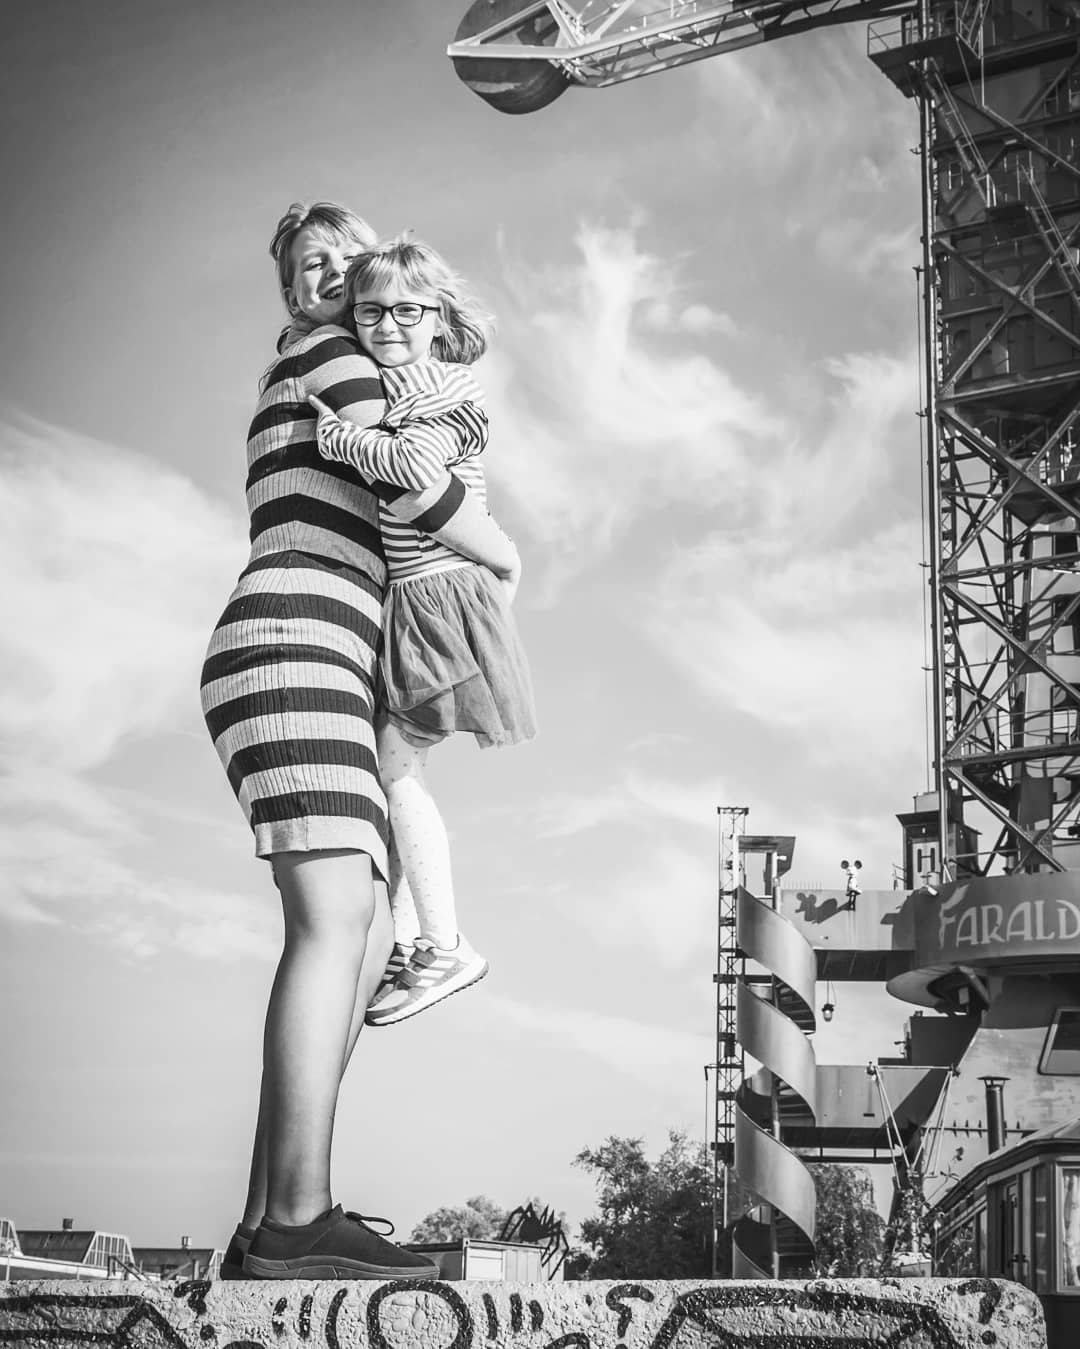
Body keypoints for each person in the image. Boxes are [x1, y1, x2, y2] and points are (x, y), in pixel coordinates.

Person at [201, 203, 520, 1281]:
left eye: (340, 257)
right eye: (304, 265)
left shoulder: (307, 363)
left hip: (301, 649)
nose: (324, 274)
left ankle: (274, 1217)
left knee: (353, 919)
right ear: (296, 291)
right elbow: (419, 487)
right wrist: (500, 546)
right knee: (335, 924)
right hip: (296, 641)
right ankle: (294, 1220)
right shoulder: (335, 357)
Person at [309, 237, 536, 1031]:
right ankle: (414, 941)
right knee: (396, 763)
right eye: (370, 311)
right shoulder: (404, 380)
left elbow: (413, 467)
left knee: (398, 767)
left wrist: (338, 440)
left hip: (441, 593)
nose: (387, 325)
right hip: (425, 595)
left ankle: (443, 944)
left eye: (408, 310)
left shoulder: (445, 385)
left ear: (438, 317)